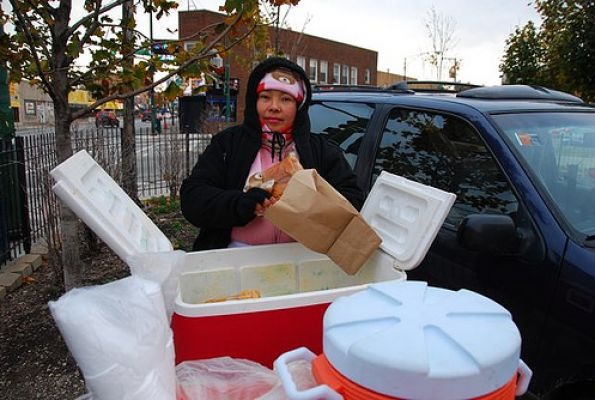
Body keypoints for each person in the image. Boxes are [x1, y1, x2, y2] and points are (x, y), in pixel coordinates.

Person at [180, 57, 364, 251]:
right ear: (254, 101)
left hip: (302, 259)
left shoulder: (321, 150)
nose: (274, 106)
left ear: (299, 106)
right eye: (265, 97)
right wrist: (241, 203)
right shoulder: (228, 144)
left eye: (286, 99)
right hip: (235, 256)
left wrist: (313, 204)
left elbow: (353, 199)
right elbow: (193, 199)